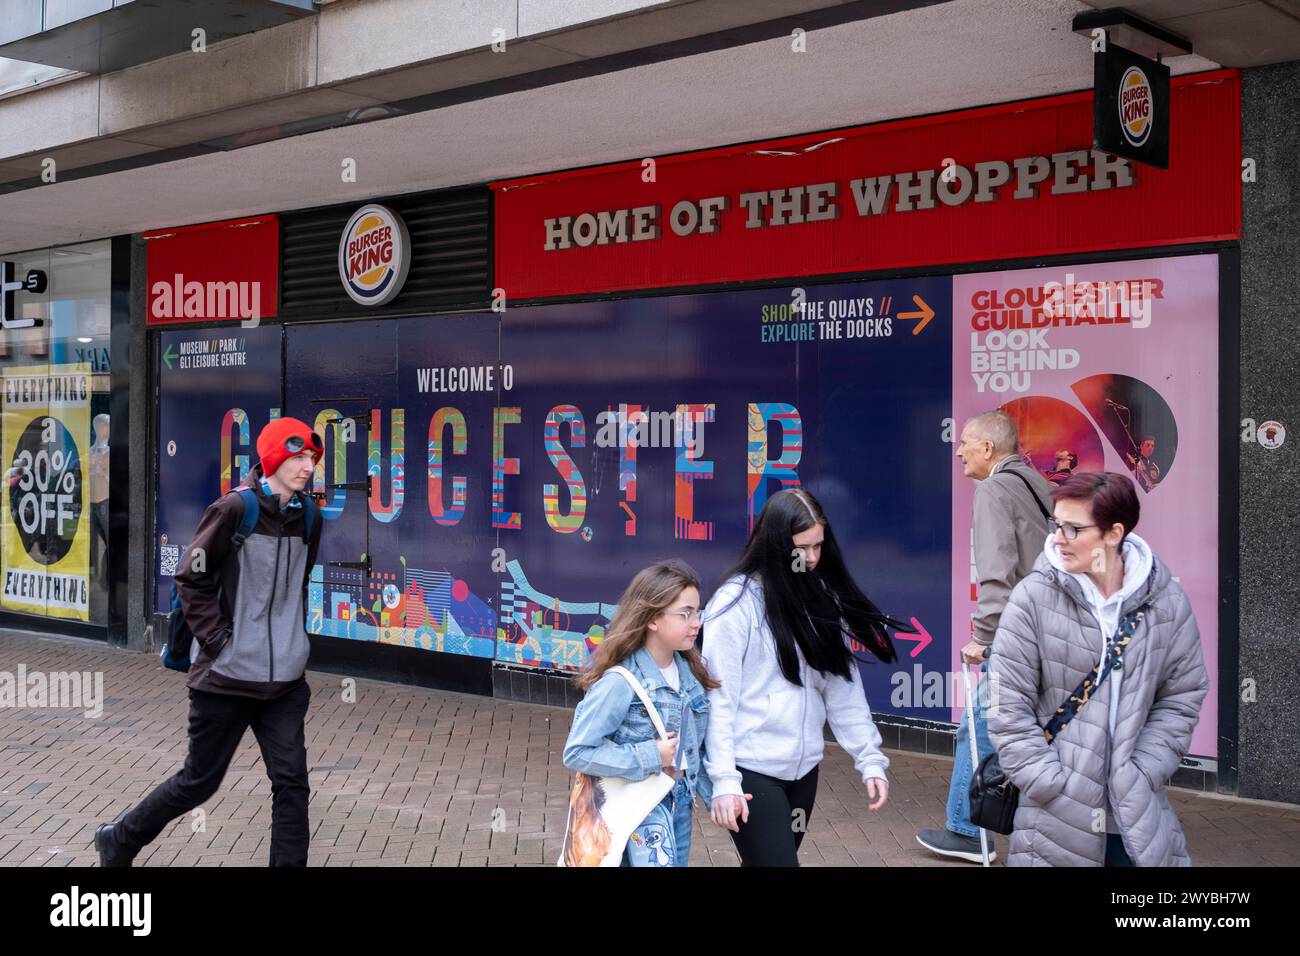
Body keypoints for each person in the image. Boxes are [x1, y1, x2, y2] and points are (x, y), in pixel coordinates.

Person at [95, 418, 324, 867]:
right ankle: (120, 839)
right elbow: (190, 579)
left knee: (292, 782)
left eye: (311, 458)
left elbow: (299, 581)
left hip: (284, 684)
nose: (307, 466)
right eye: (297, 457)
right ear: (273, 457)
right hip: (226, 678)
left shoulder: (310, 518)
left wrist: (292, 643)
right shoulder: (234, 511)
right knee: (199, 781)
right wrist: (221, 642)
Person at [988, 471, 1208, 866]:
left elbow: (1182, 695)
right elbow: (1006, 703)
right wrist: (1045, 779)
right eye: (1057, 524)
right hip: (1053, 814)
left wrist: (1144, 769)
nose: (1058, 537)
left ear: (1113, 534)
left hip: (1136, 814)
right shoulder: (1033, 598)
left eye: (1074, 528)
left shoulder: (1166, 601)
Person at [702, 487, 897, 866]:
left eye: (818, 546)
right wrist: (725, 780)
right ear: (776, 544)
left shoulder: (820, 597)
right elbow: (718, 699)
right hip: (751, 772)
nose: (810, 558)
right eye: (801, 548)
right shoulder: (735, 603)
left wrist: (869, 757)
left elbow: (842, 686)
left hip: (804, 772)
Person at [917, 410, 1052, 863]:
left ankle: (968, 831)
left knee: (978, 727)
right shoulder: (1037, 485)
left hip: (1014, 636)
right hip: (1049, 633)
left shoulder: (994, 489)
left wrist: (983, 635)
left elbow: (997, 573)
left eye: (965, 443)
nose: (958, 451)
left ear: (989, 449)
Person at [561, 559, 716, 867]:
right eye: (685, 613)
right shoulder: (621, 682)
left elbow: (695, 750)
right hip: (635, 807)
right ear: (653, 619)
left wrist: (719, 796)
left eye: (697, 611)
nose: (696, 622)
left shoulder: (691, 676)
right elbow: (577, 751)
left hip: (679, 804)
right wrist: (650, 755)